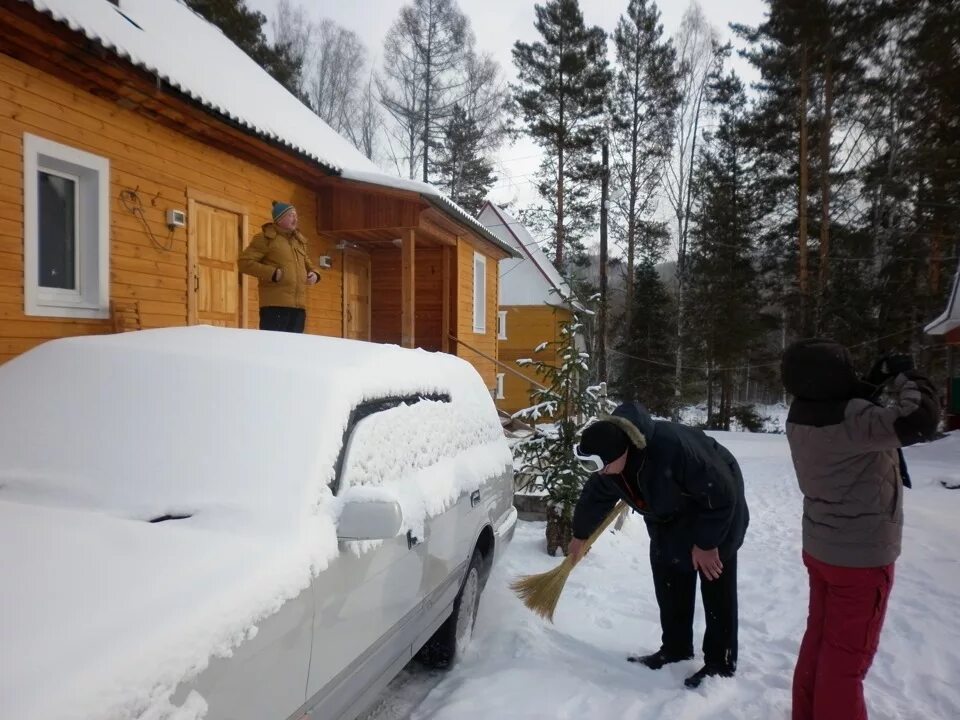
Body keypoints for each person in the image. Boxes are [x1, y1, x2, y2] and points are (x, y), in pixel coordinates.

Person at [781, 339, 940, 720]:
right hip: (861, 558)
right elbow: (920, 419)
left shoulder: (800, 413)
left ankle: (807, 712)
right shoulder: (855, 420)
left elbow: (847, 408)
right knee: (847, 659)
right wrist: (907, 375)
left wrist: (872, 381)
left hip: (822, 550)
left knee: (819, 640)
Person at [569, 402, 749, 689]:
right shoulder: (610, 468)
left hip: (717, 503)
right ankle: (676, 649)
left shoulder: (673, 450)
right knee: (668, 568)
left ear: (621, 453)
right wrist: (580, 535)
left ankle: (720, 662)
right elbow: (594, 496)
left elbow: (721, 492)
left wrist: (706, 543)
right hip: (668, 509)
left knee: (715, 576)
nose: (597, 472)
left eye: (598, 465)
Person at [238, 201, 320, 333]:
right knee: (273, 349)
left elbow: (309, 264)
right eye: (291, 215)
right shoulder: (266, 239)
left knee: (293, 349)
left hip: (298, 308)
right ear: (280, 219)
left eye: (296, 215)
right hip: (274, 307)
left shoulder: (299, 241)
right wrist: (272, 273)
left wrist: (315, 274)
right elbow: (244, 263)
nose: (295, 219)